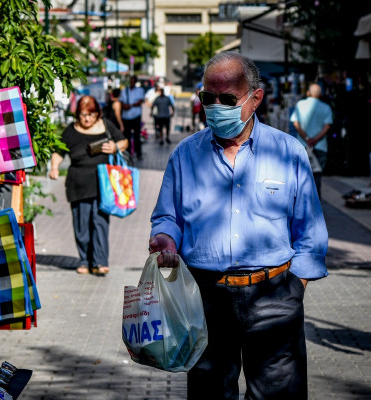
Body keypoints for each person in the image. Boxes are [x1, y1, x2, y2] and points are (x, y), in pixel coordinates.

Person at [149, 52, 328, 399]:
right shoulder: (185, 155)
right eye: (207, 98)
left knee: (279, 394)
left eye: (227, 99)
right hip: (204, 297)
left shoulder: (288, 152)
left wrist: (296, 286)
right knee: (209, 393)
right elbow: (166, 216)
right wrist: (165, 239)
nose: (215, 106)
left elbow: (311, 228)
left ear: (255, 98)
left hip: (274, 294)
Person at [49, 95, 128, 276]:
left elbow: (124, 141)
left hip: (103, 183)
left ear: (97, 114)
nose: (87, 119)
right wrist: (54, 168)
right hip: (78, 183)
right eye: (84, 115)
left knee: (100, 222)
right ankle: (85, 260)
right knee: (81, 224)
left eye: (91, 115)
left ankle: (100, 262)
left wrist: (115, 147)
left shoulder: (106, 125)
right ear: (78, 114)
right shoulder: (71, 131)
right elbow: (59, 152)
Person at [290, 83, 333, 198]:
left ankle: (302, 198)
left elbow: (296, 124)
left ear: (308, 93)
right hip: (320, 146)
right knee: (317, 174)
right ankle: (316, 200)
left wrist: (307, 138)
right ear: (321, 95)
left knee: (302, 173)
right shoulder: (326, 107)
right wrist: (315, 139)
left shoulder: (300, 105)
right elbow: (327, 126)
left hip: (303, 145)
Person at [120, 75, 146, 160]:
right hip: (126, 116)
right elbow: (121, 101)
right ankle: (128, 152)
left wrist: (130, 105)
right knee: (127, 135)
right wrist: (125, 106)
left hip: (136, 115)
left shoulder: (139, 90)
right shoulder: (125, 90)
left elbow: (140, 101)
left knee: (136, 135)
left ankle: (138, 152)